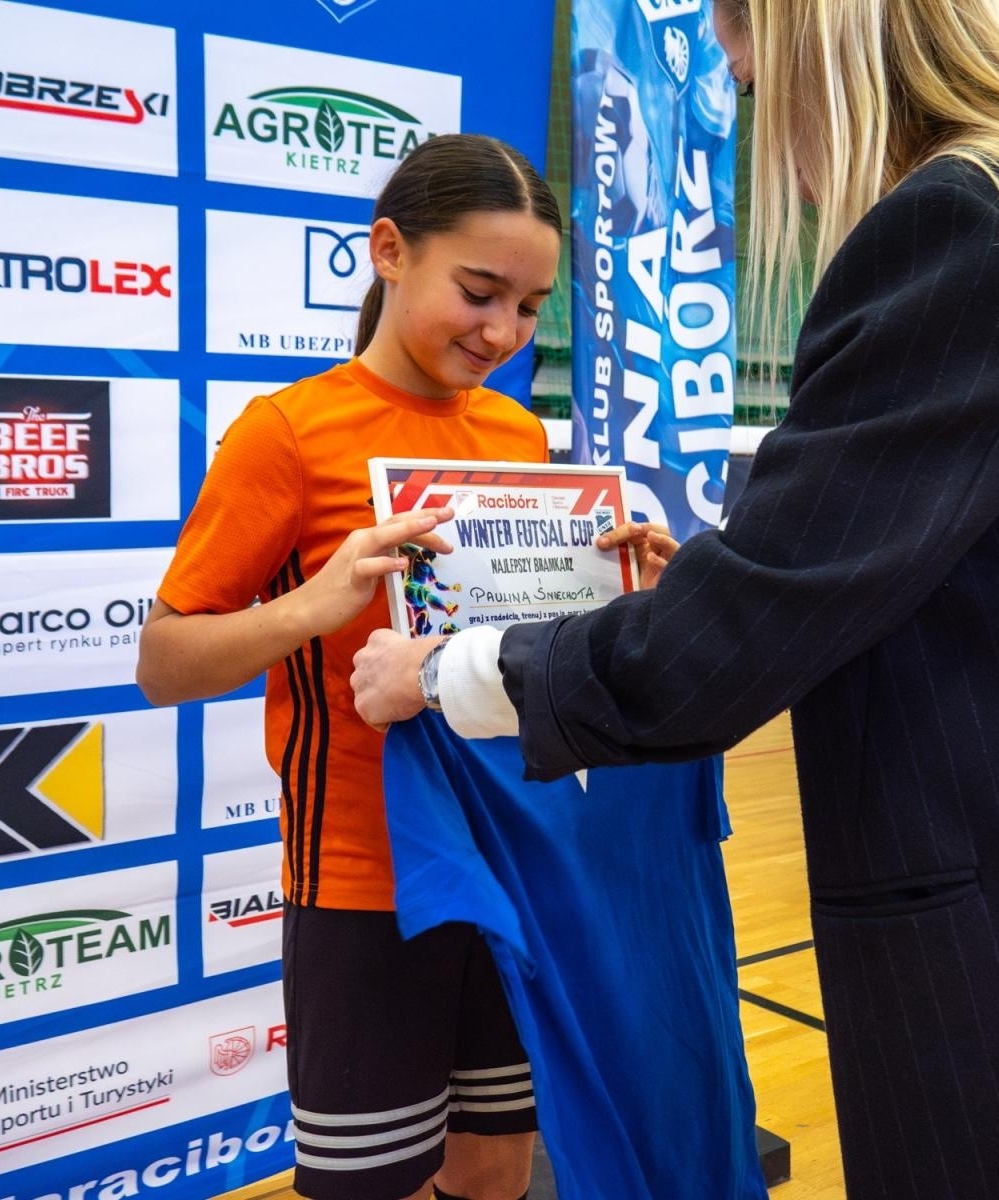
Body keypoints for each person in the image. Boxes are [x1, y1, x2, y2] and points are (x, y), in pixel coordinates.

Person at [349, 1, 999, 1197]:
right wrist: (753, 576)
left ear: (816, 44)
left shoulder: (972, 224)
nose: (757, 120)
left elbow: (736, 641)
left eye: (749, 76)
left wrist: (452, 669)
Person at [137, 133, 591, 1200]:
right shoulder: (288, 434)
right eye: (478, 292)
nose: (503, 332)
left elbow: (515, 646)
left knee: (497, 1167)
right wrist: (316, 601)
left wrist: (611, 587)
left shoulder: (520, 434)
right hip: (361, 880)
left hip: (513, 858)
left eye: (530, 307)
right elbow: (163, 662)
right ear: (389, 251)